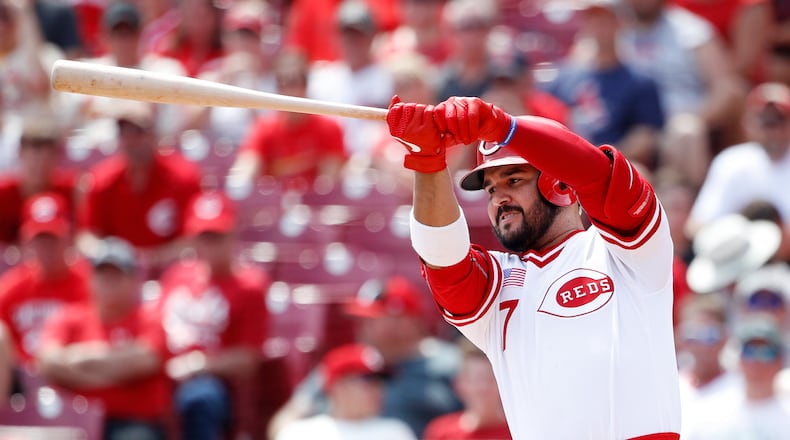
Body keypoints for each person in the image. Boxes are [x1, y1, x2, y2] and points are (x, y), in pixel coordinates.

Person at [385, 94, 681, 438]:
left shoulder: (628, 252)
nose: (499, 198)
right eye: (491, 189)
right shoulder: (499, 284)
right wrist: (427, 160)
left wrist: (503, 126)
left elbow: (597, 174)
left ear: (560, 183)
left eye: (514, 180)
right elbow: (442, 259)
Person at [268, 275, 462, 439]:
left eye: (373, 318)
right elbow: (290, 415)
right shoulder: (348, 363)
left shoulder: (451, 365)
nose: (362, 325)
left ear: (406, 322)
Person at [155, 190, 270, 440]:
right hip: (162, 372)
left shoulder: (249, 285)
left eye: (217, 236)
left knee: (199, 398)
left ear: (233, 235)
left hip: (213, 380)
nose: (209, 245)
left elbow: (249, 357)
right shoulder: (176, 276)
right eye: (203, 237)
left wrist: (197, 365)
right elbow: (154, 328)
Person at [37, 236, 170, 440]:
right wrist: (114, 372)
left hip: (132, 422)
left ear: (134, 280)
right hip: (72, 420)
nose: (108, 281)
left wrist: (76, 365)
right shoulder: (69, 317)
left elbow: (145, 360)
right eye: (102, 274)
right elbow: (48, 362)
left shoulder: (149, 318)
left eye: (116, 275)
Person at [76, 100, 201, 276]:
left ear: (154, 134)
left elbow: (194, 240)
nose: (130, 140)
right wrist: (116, 256)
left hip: (171, 275)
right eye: (124, 132)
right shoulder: (103, 180)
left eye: (138, 132)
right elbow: (87, 238)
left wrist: (149, 260)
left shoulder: (182, 177)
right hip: (118, 276)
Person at [548, 0, 664, 169]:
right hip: (567, 164)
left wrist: (601, 161)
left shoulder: (640, 80)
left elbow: (645, 137)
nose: (599, 27)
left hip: (618, 167)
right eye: (593, 20)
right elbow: (546, 122)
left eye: (606, 20)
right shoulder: (563, 77)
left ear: (621, 23)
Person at [0, 192, 90, 401]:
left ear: (68, 237)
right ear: (26, 241)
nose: (46, 248)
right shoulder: (13, 285)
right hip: (20, 381)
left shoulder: (88, 282)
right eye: (40, 239)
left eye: (53, 238)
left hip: (71, 374)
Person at [227, 50, 348, 195]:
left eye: (294, 83)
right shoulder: (265, 127)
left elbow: (328, 182)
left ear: (305, 86)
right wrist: (239, 183)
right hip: (274, 205)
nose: (289, 91)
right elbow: (247, 166)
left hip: (315, 206)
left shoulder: (328, 128)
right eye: (283, 84)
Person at [686, 81, 790, 236]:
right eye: (764, 121)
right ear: (748, 123)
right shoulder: (731, 162)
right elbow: (698, 226)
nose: (771, 129)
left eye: (778, 120)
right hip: (742, 255)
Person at [275, 343, 417, 440]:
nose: (377, 389)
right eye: (367, 380)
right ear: (338, 386)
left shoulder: (397, 432)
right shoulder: (301, 434)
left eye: (380, 381)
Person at [684, 317, 790, 439]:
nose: (756, 361)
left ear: (780, 360)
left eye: (767, 353)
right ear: (739, 359)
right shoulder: (711, 412)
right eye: (749, 351)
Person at [0, 115, 76, 244]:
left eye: (46, 160)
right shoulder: (3, 193)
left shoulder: (70, 190)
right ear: (21, 154)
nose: (40, 167)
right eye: (34, 160)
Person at [675, 293, 741, 438]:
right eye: (693, 334)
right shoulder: (672, 388)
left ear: (725, 337)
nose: (701, 345)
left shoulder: (742, 389)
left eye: (710, 335)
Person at [422, 339, 511, 440]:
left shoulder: (519, 428)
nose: (483, 387)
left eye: (491, 379)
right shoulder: (440, 432)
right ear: (459, 384)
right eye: (477, 379)